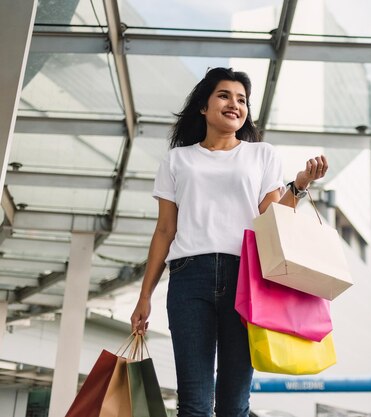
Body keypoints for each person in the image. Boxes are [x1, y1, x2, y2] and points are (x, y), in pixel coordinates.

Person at [130, 67, 328, 417]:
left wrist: (298, 187)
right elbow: (164, 231)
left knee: (234, 404)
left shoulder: (262, 155)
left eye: (242, 100)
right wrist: (144, 296)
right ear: (204, 107)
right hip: (189, 278)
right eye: (224, 95)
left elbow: (272, 221)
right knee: (194, 403)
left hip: (247, 279)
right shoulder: (177, 160)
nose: (234, 104)